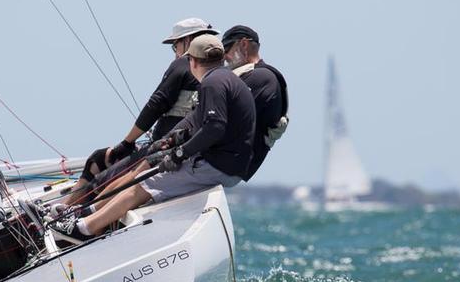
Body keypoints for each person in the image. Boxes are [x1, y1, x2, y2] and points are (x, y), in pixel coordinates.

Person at [51, 35, 255, 243]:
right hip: (230, 165)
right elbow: (195, 122)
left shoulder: (211, 83)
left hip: (217, 166)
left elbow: (215, 127)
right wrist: (168, 141)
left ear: (192, 61)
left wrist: (179, 154)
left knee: (144, 184)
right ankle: (88, 213)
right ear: (220, 60)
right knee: (144, 174)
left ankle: (84, 230)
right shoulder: (228, 79)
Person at [70, 18, 218, 200]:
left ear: (189, 40)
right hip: (196, 154)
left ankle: (64, 212)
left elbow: (155, 105)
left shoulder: (183, 63)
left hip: (164, 148)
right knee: (100, 157)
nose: (175, 52)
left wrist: (126, 143)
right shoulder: (221, 73)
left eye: (175, 45)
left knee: (99, 181)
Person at [220, 25, 289, 181]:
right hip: (233, 163)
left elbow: (224, 118)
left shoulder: (261, 77)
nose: (224, 57)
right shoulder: (254, 76)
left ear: (243, 44)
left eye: (227, 49)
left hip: (230, 164)